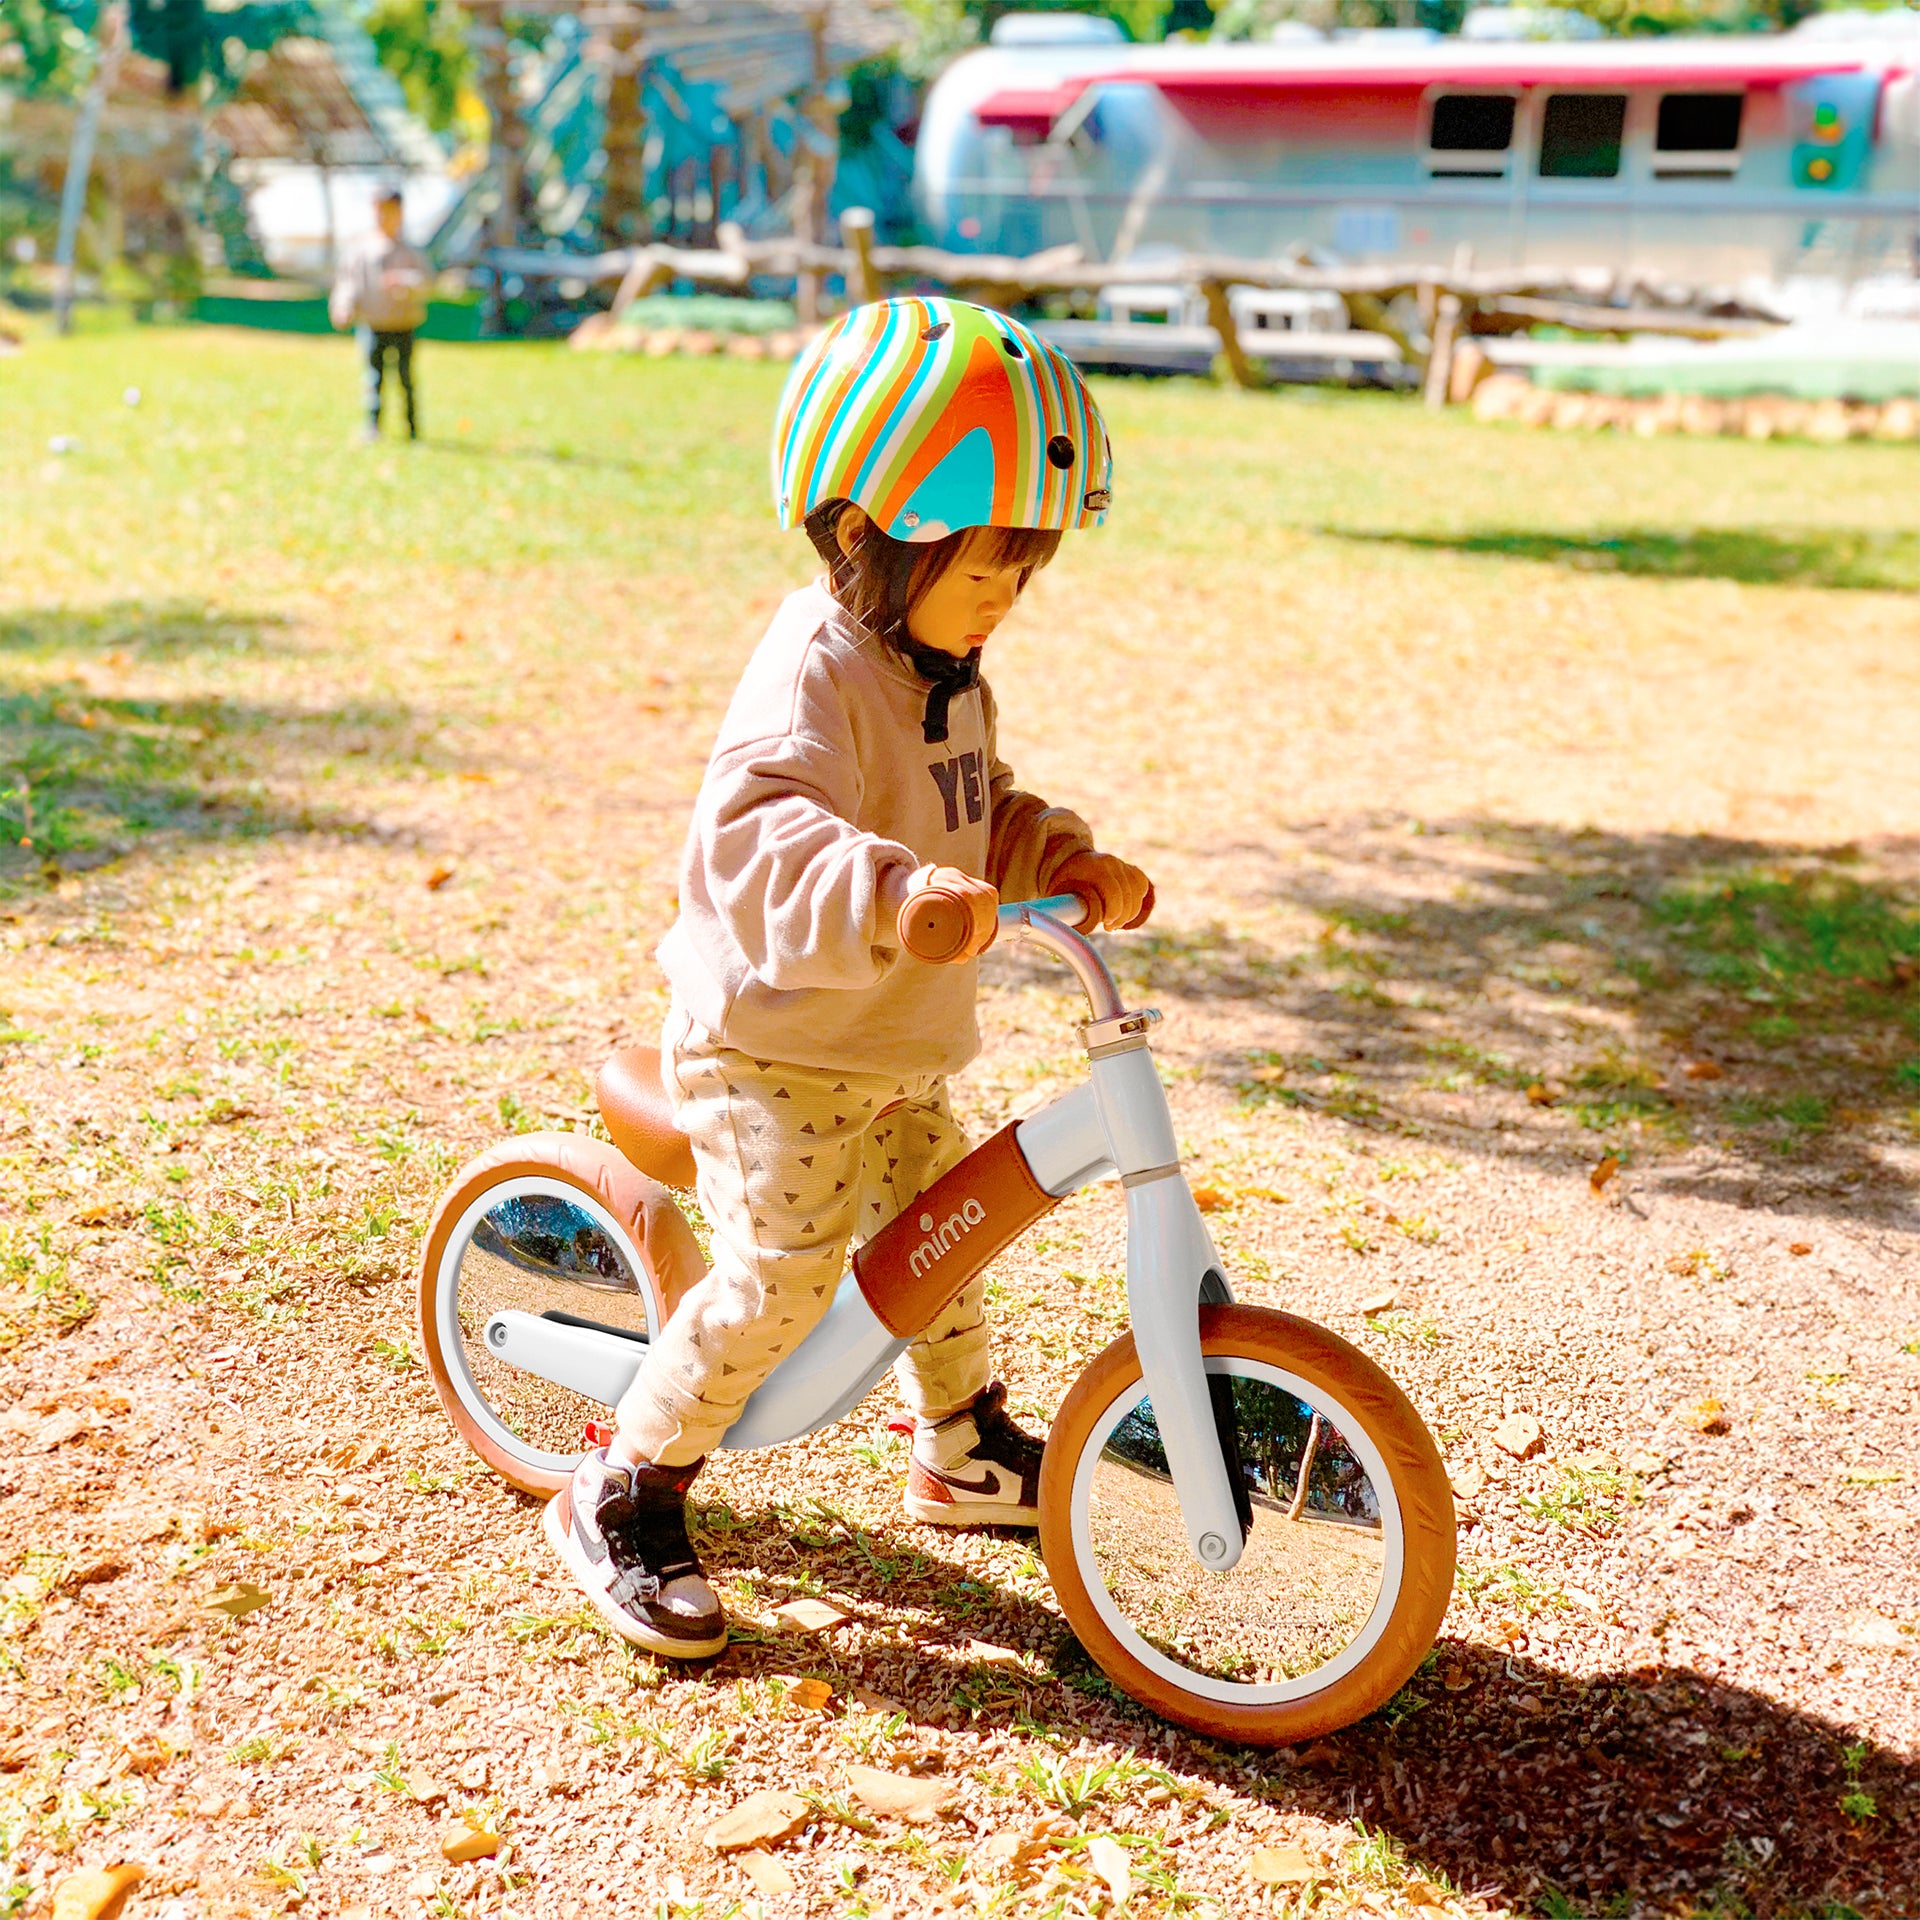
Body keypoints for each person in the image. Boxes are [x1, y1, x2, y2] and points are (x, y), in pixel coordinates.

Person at [544, 298, 1155, 1659]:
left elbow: (970, 800)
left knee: (943, 1242)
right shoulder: (815, 669)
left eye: (1026, 564)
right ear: (874, 529)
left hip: (892, 1043)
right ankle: (627, 1484)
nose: (1005, 588)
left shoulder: (945, 669)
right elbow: (762, 831)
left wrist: (1051, 851)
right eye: (984, 557)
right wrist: (893, 895)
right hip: (776, 1049)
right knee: (783, 1276)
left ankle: (959, 1444)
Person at [328, 187, 429, 443]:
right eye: (379, 212)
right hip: (374, 324)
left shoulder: (410, 251)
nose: (383, 218)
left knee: (405, 378)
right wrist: (343, 306)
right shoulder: (360, 251)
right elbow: (347, 284)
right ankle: (373, 426)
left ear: (401, 213)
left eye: (389, 213)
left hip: (403, 324)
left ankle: (412, 427)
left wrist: (406, 283)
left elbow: (428, 282)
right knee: (374, 378)